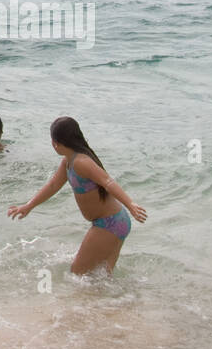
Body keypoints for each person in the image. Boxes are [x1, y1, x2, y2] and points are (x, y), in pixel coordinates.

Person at [8, 117, 146, 274]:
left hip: (109, 223)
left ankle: (86, 298)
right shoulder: (67, 162)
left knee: (77, 272)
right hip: (115, 221)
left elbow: (107, 181)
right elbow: (53, 185)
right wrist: (29, 206)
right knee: (101, 275)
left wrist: (131, 204)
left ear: (55, 142)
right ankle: (117, 299)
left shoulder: (81, 162)